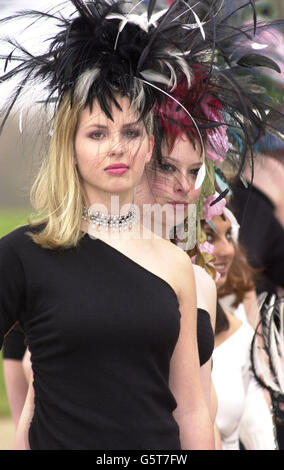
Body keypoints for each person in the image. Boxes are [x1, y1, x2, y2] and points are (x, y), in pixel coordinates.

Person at [1, 0, 283, 450]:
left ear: (146, 145)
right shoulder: (23, 254)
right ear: (69, 147)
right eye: (97, 133)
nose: (116, 147)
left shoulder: (177, 268)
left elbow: (193, 410)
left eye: (130, 133)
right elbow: (33, 396)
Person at [201, 209, 277, 450]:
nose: (228, 250)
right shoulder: (150, 333)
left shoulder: (241, 337)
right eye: (209, 237)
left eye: (228, 236)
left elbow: (260, 435)